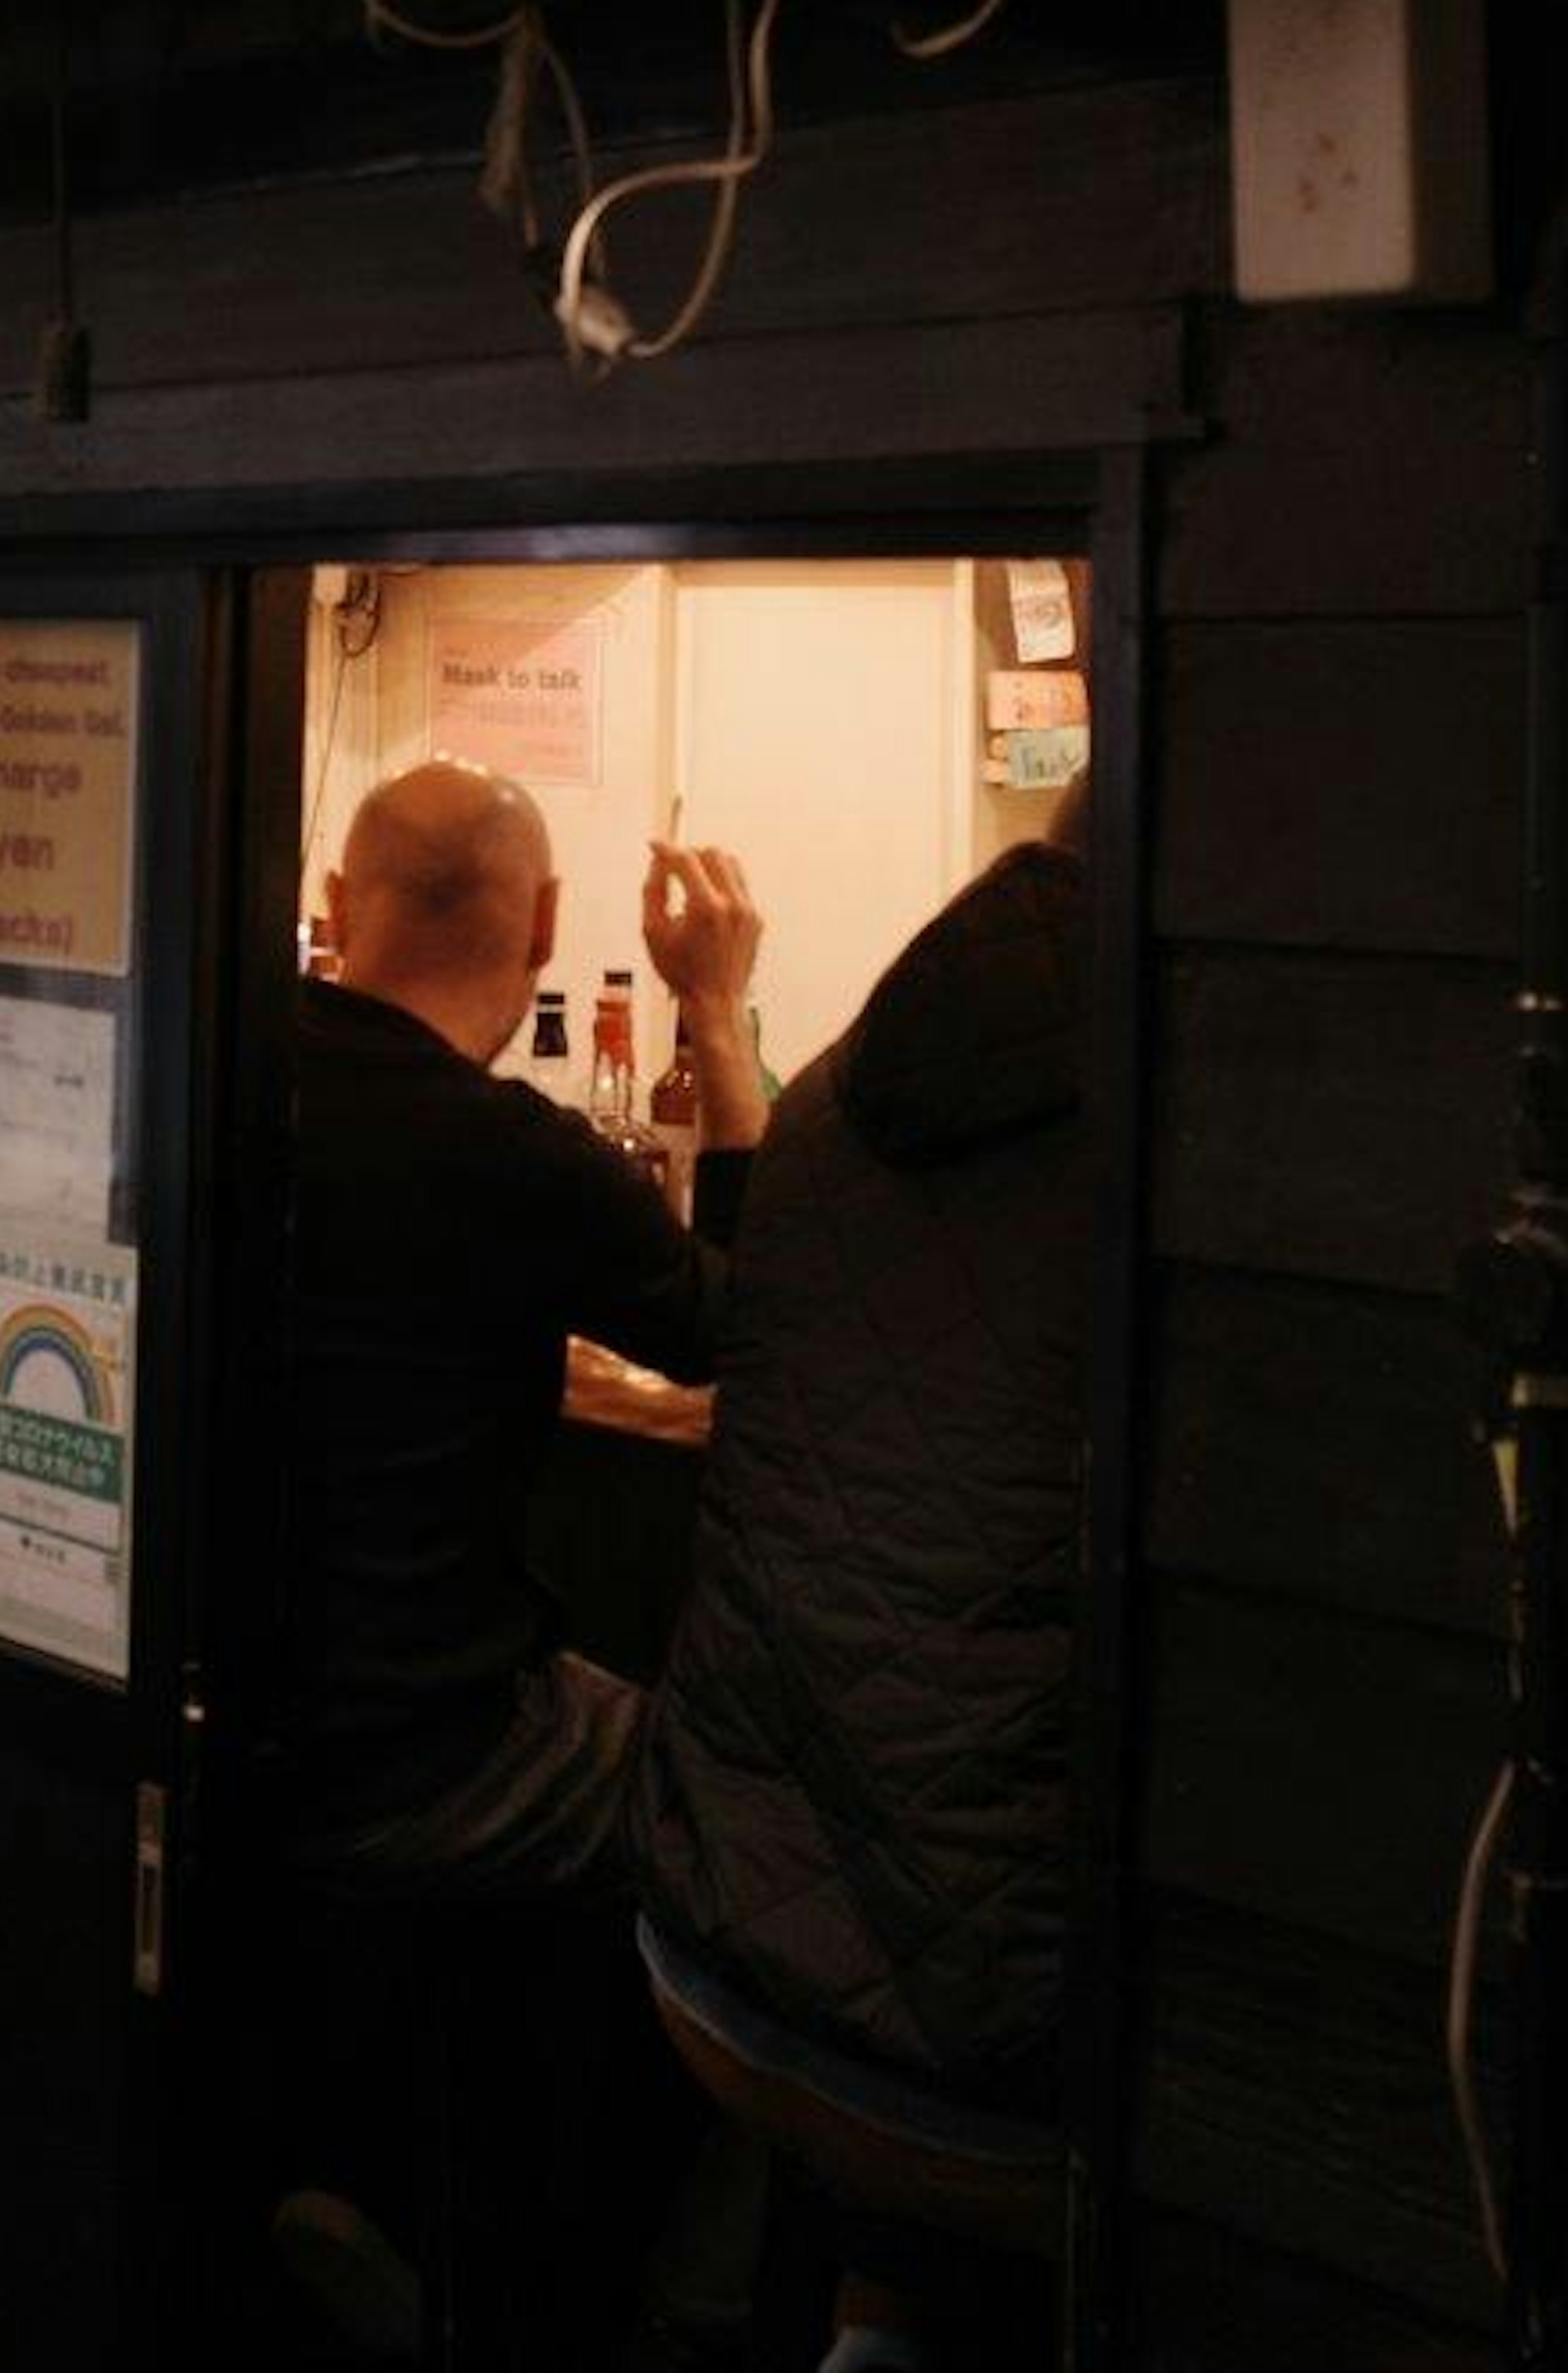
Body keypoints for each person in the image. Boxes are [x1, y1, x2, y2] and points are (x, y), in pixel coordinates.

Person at [624, 798, 1090, 2373]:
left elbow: (732, 1324)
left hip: (713, 1944)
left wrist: (713, 1018)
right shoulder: (1185, 1164)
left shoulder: (830, 1105)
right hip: (977, 2056)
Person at [277, 758, 767, 1895]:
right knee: (724, 1788)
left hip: (226, 1710)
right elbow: (751, 1326)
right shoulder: (522, 1159)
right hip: (428, 1753)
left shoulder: (229, 1070)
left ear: (342, 903)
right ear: (546, 921)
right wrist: (715, 1012)